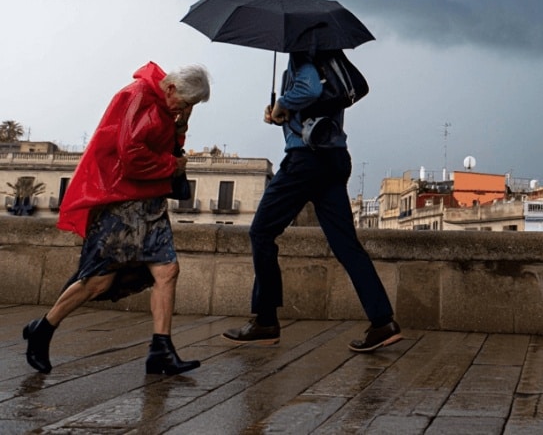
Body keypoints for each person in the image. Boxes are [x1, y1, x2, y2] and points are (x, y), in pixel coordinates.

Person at [23, 63, 211, 375]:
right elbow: (131, 154)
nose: (187, 108)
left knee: (167, 270)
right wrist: (171, 166)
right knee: (99, 279)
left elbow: (166, 146)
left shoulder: (166, 106)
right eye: (187, 102)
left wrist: (181, 125)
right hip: (121, 201)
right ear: (173, 88)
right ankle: (43, 328)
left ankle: (161, 350)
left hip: (149, 201)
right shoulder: (136, 96)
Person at [222, 51, 401, 352]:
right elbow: (315, 102)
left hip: (306, 160)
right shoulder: (330, 58)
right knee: (346, 245)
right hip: (334, 158)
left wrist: (281, 103)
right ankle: (382, 321)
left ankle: (265, 320)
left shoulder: (302, 54)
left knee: (261, 232)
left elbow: (310, 89)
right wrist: (281, 113)